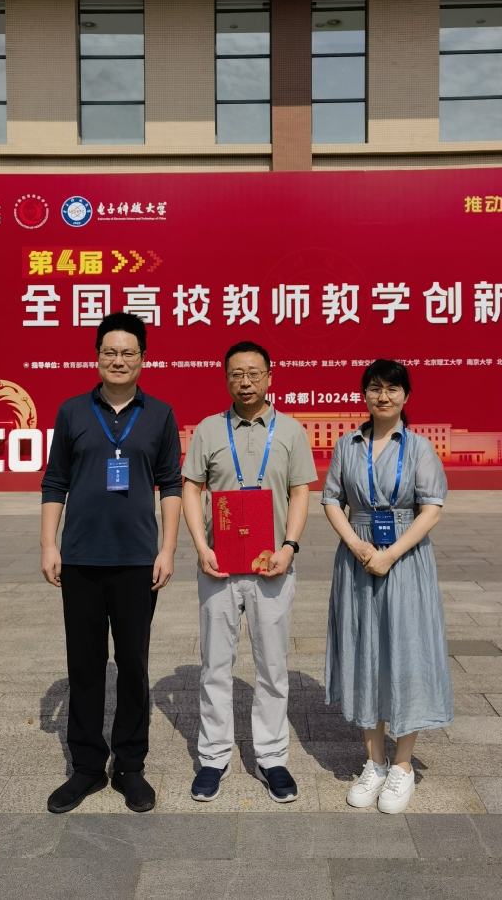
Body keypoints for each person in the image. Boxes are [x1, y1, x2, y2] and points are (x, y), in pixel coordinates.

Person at [40, 311, 182, 814]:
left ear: (143, 358)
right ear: (97, 356)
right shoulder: (73, 411)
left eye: (128, 352)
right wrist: (49, 544)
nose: (118, 360)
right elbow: (55, 481)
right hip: (80, 557)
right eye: (110, 352)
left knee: (133, 665)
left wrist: (167, 549)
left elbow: (171, 484)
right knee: (84, 665)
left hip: (138, 561)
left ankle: (129, 766)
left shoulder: (160, 414)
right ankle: (85, 767)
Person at [182, 341, 318, 803]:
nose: (245, 382)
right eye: (237, 374)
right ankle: (213, 757)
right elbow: (191, 488)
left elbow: (300, 492)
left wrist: (289, 545)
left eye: (254, 373)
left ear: (269, 377)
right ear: (226, 379)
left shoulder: (291, 430)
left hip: (271, 567)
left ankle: (272, 757)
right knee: (215, 666)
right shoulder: (208, 429)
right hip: (219, 567)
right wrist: (202, 547)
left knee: (272, 668)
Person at [322, 359, 452, 814]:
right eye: (375, 388)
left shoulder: (419, 447)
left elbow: (431, 509)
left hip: (405, 560)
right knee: (365, 651)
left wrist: (391, 553)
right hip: (358, 560)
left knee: (407, 650)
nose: (383, 396)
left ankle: (402, 765)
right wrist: (359, 546)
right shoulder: (347, 445)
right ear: (364, 394)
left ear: (406, 396)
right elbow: (331, 500)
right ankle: (374, 762)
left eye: (393, 389)